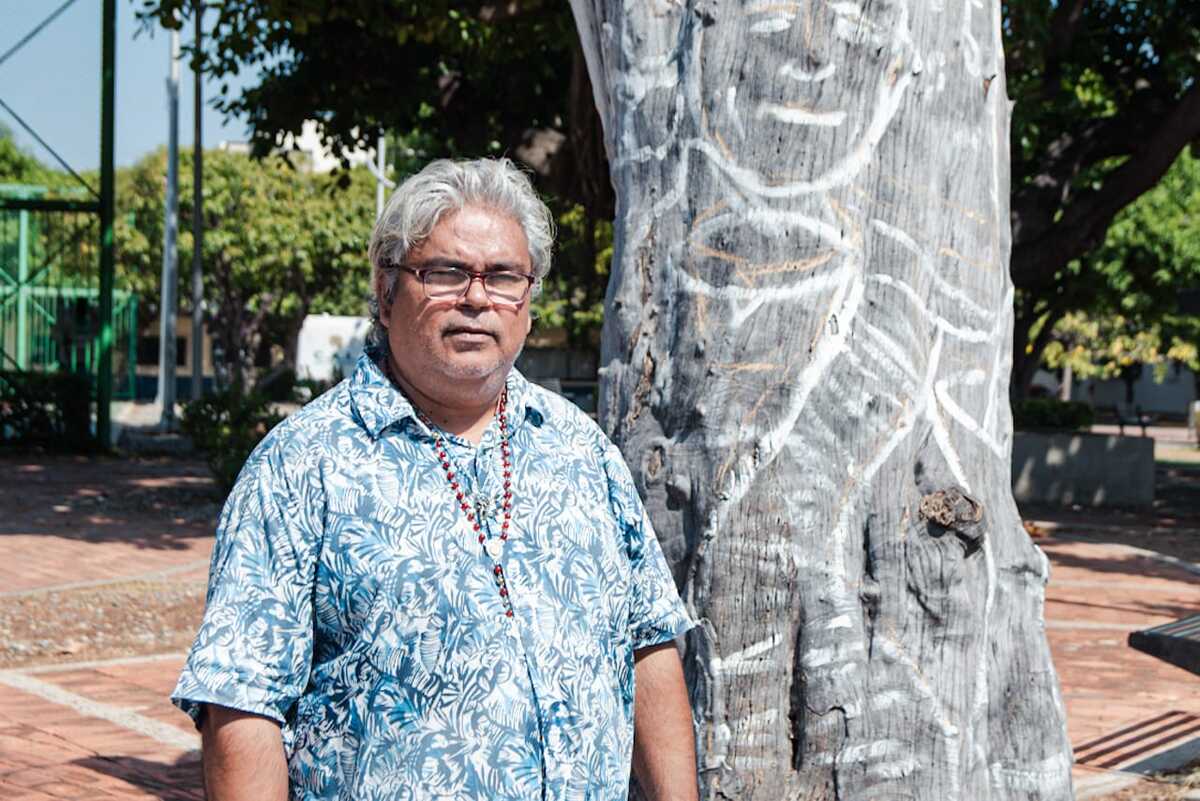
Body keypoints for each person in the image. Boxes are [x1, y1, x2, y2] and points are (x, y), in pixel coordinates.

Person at [172, 157, 698, 801]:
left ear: (527, 301)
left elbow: (647, 645)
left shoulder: (580, 449)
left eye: (503, 276)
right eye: (446, 272)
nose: (477, 298)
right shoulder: (301, 467)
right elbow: (242, 704)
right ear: (387, 290)